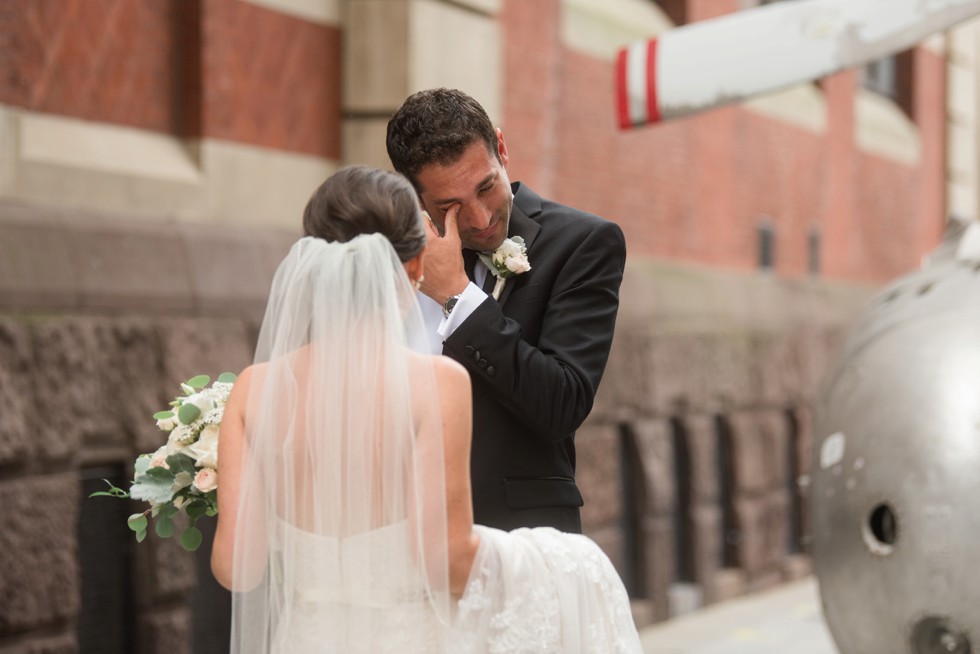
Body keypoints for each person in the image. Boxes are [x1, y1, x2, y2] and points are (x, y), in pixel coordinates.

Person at [211, 166, 641, 653]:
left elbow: (237, 568)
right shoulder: (434, 385)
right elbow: (448, 562)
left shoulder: (253, 390)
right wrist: (560, 560)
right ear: (417, 265)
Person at [386, 88, 627, 533]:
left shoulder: (582, 244)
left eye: (486, 187)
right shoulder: (386, 261)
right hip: (400, 532)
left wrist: (458, 296)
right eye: (451, 206)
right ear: (415, 197)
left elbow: (562, 403)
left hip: (522, 537)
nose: (480, 219)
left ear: (501, 148)